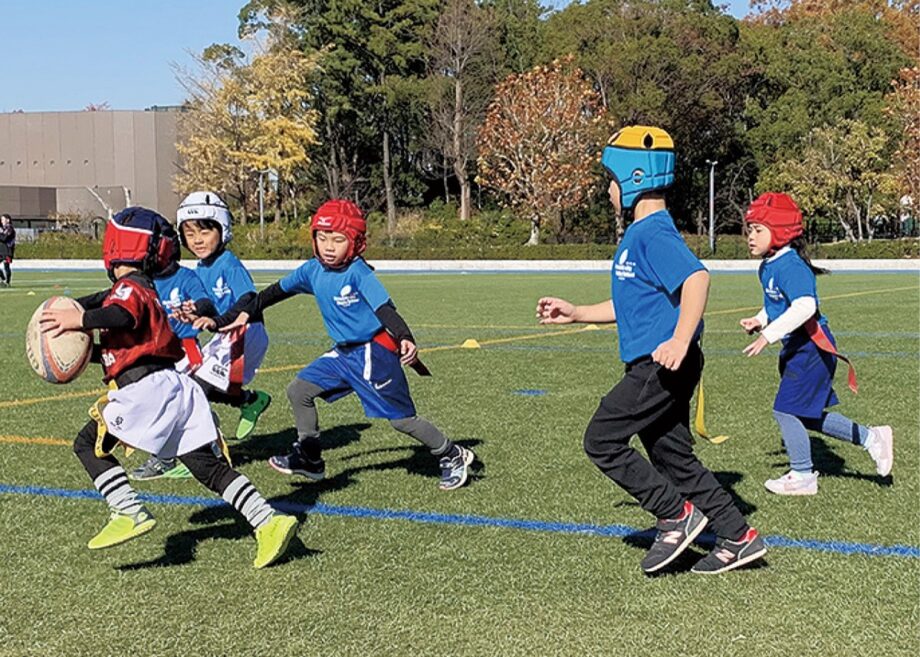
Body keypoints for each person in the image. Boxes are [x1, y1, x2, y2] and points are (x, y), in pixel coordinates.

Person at [536, 126, 766, 575]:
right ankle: (738, 536)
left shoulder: (653, 233)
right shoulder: (639, 234)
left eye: (611, 179)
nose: (608, 188)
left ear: (635, 177)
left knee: (601, 440)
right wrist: (577, 311)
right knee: (670, 455)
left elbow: (697, 279)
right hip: (661, 363)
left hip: (658, 366)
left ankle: (675, 515)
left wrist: (680, 339)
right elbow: (629, 304)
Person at [38, 207, 298, 568]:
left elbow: (120, 315)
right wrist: (83, 352)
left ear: (115, 246)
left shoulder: (129, 288)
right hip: (175, 388)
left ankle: (128, 511)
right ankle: (269, 522)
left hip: (147, 390)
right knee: (207, 468)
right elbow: (128, 344)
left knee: (86, 445)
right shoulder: (148, 290)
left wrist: (77, 318)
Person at [211, 199, 475, 491]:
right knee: (299, 390)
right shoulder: (312, 270)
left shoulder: (359, 273)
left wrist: (405, 338)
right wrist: (246, 312)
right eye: (322, 238)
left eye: (338, 240)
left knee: (402, 421)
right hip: (343, 353)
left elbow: (386, 309)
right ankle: (310, 458)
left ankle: (452, 454)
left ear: (356, 243)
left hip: (374, 353)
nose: (328, 246)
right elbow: (273, 292)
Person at [740, 192, 893, 495]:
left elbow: (805, 307)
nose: (750, 236)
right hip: (799, 349)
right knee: (806, 415)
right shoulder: (769, 265)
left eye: (758, 230)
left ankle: (802, 475)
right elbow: (779, 305)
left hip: (812, 348)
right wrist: (761, 319)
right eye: (750, 229)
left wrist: (767, 336)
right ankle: (872, 438)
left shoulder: (791, 266)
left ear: (781, 232)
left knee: (785, 411)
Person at [175, 192, 272, 440]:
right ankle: (249, 400)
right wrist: (193, 312)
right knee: (186, 381)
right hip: (225, 335)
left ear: (223, 229)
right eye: (190, 233)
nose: (197, 240)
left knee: (197, 389)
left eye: (204, 232)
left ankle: (204, 449)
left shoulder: (229, 263)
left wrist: (216, 322)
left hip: (246, 332)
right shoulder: (200, 268)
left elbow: (248, 299)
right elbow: (208, 305)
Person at [0, 213, 16, 287]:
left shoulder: (10, 229)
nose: (2, 220)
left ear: (8, 220)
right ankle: (3, 279)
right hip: (1, 250)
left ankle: (7, 282)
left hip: (8, 250)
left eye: (3, 219)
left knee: (6, 266)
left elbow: (4, 238)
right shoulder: (2, 228)